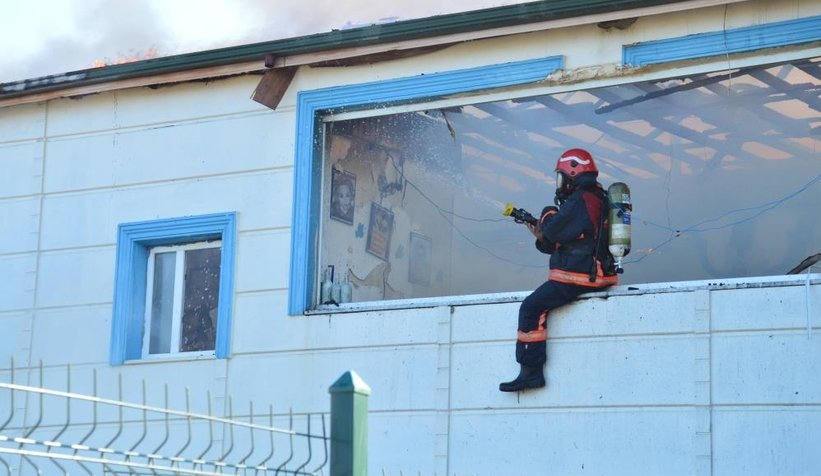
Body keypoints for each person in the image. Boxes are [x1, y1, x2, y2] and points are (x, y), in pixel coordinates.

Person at [499, 148, 618, 392]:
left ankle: (530, 373)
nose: (560, 183)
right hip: (592, 272)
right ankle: (530, 373)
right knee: (535, 305)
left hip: (581, 275)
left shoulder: (582, 198)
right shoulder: (594, 198)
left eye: (561, 176)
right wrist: (541, 234)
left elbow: (553, 229)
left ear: (573, 173)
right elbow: (556, 241)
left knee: (531, 307)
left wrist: (546, 215)